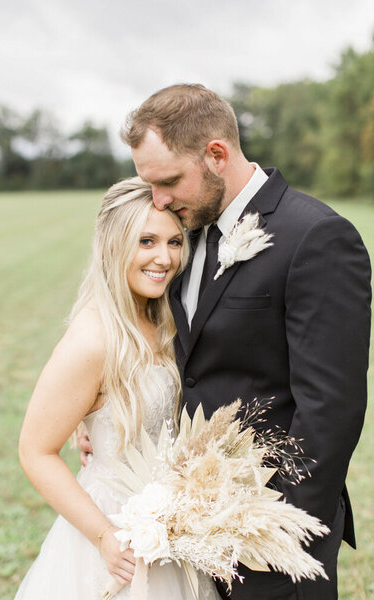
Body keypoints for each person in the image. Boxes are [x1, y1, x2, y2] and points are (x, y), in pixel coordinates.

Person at [118, 84, 371, 600]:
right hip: (187, 526)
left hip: (269, 536)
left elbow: (331, 409)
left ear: (217, 154)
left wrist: (277, 526)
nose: (158, 200)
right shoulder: (183, 232)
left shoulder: (316, 237)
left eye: (167, 181)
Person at [15, 177, 221, 600]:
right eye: (146, 241)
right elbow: (35, 451)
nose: (164, 258)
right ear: (113, 245)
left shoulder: (167, 316)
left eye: (174, 242)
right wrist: (104, 536)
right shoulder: (92, 340)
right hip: (115, 531)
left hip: (176, 526)